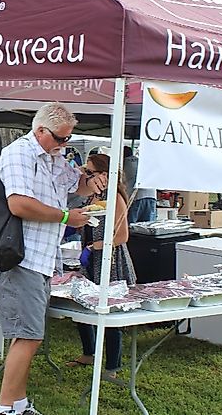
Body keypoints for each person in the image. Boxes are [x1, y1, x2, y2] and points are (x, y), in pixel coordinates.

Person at [0, 102, 103, 415]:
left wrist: (89, 184)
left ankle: (19, 403)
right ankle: (4, 408)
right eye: (60, 138)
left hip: (41, 258)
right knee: (28, 337)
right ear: (40, 130)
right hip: (22, 257)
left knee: (29, 336)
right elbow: (19, 204)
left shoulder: (54, 156)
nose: (64, 145)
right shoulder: (19, 154)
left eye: (68, 139)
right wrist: (67, 216)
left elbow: (74, 186)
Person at [66, 154, 137, 379]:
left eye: (90, 172)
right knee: (82, 305)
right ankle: (89, 352)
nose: (85, 176)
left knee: (110, 314)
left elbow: (122, 235)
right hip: (91, 259)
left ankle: (112, 367)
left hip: (110, 260)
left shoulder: (114, 197)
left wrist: (94, 247)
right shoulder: (92, 197)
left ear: (104, 175)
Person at [122, 146, 157, 223]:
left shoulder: (124, 164)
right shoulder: (141, 161)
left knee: (131, 226)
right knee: (147, 227)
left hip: (136, 197)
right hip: (151, 196)